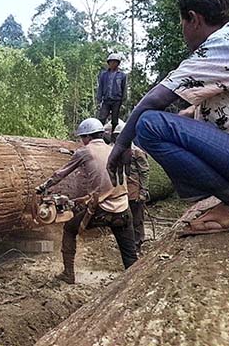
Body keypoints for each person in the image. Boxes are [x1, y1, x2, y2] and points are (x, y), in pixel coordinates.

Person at [107, 0, 229, 235]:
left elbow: (154, 101)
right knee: (179, 119)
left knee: (150, 125)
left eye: (182, 23)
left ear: (194, 18)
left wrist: (121, 144)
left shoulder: (221, 44)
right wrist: (194, 112)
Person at [36, 118, 138, 284]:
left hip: (102, 210)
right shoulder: (112, 149)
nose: (81, 141)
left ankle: (68, 274)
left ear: (87, 137)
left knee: (69, 229)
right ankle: (134, 282)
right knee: (129, 254)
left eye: (82, 137)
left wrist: (43, 187)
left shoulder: (84, 152)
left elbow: (61, 173)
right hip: (123, 209)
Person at [111, 121, 150, 251]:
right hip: (122, 190)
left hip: (134, 190)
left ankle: (137, 244)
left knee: (137, 219)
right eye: (117, 136)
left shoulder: (137, 153)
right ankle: (127, 243)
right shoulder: (116, 152)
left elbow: (144, 172)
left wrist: (143, 191)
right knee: (123, 218)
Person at [97, 53, 127, 136]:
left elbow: (124, 89)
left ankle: (113, 138)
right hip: (106, 100)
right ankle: (98, 136)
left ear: (118, 63)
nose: (113, 64)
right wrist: (99, 100)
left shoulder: (122, 75)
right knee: (102, 118)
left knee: (115, 120)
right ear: (108, 63)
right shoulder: (104, 75)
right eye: (111, 62)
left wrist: (123, 102)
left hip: (117, 100)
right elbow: (100, 87)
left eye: (115, 62)